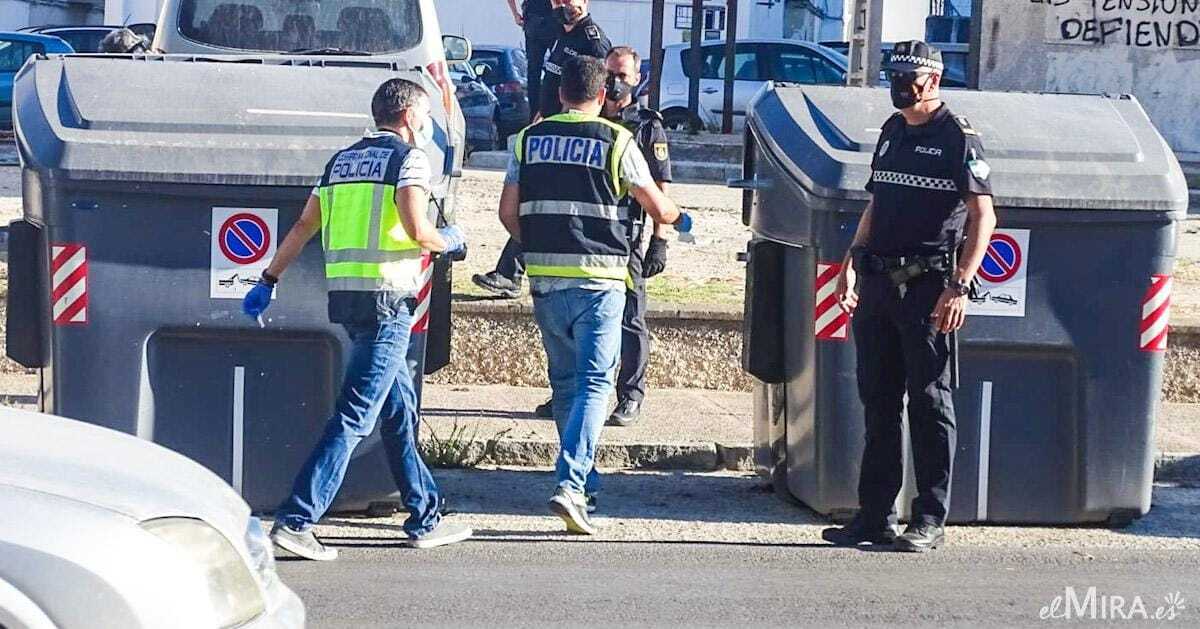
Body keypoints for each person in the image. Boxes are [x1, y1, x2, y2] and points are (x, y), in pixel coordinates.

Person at [244, 79, 473, 560]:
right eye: (426, 116)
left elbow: (306, 225)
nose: (428, 125)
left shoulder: (341, 162)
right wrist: (450, 241)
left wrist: (269, 277)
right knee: (355, 416)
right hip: (389, 302)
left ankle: (425, 515)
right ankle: (297, 520)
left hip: (350, 303)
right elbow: (417, 228)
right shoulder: (408, 160)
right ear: (410, 116)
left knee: (398, 412)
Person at [498, 55, 690, 534]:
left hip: (544, 277)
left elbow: (507, 213)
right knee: (594, 384)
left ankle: (585, 482)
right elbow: (656, 206)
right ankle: (570, 483)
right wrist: (679, 218)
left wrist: (537, 245)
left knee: (564, 383)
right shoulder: (618, 140)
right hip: (600, 280)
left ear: (561, 93)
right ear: (602, 96)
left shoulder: (527, 140)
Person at [822, 41, 997, 553]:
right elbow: (876, 203)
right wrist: (850, 263)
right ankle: (874, 516)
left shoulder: (957, 138)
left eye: (911, 77)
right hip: (877, 283)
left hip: (928, 289)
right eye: (895, 74)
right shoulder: (892, 131)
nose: (900, 85)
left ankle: (929, 518)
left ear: (934, 81)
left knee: (929, 404)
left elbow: (984, 216)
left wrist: (959, 285)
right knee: (877, 402)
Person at [531, 46, 672, 427]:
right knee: (575, 324)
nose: (616, 82)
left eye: (623, 76)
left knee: (629, 318)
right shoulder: (573, 120)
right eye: (610, 74)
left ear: (637, 79)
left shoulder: (645, 126)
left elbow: (660, 189)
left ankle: (630, 395)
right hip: (581, 238)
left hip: (625, 238)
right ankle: (571, 396)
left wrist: (661, 239)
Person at [472, 0, 611, 298]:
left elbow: (598, 92)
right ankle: (511, 273)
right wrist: (541, 114)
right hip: (547, 130)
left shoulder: (592, 40)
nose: (563, 4)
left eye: (570, 0)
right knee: (533, 202)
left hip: (570, 138)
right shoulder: (558, 32)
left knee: (538, 202)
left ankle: (512, 273)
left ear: (585, 2)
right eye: (558, 0)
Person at [505, 0, 561, 123]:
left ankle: (537, 115)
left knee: (538, 73)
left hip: (542, 20)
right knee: (551, 70)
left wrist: (515, 14)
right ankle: (541, 114)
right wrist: (515, 14)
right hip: (544, 21)